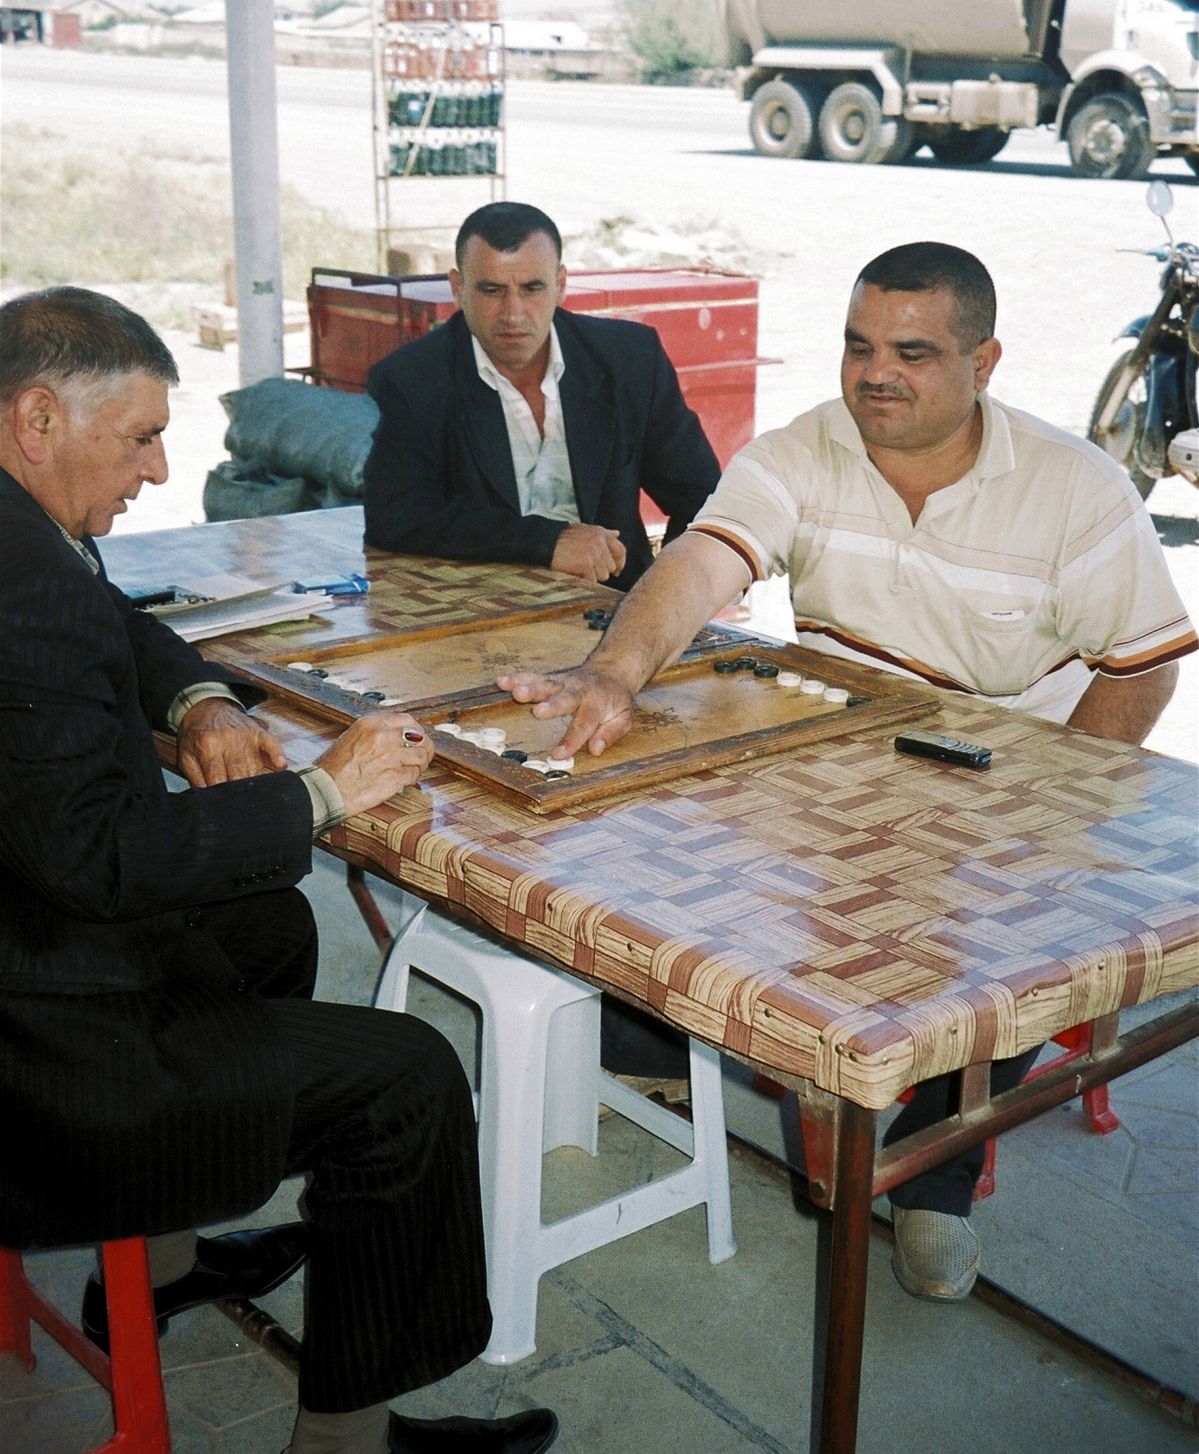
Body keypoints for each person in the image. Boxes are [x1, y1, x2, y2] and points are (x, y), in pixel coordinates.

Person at [496, 241, 1198, 1305]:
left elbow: (1142, 671)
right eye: (859, 346)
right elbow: (700, 563)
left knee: (998, 939)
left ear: (984, 360)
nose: (876, 373)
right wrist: (612, 672)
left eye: (912, 353)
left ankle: (934, 1180)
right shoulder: (802, 450)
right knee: (652, 855)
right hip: (835, 757)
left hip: (1007, 776)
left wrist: (1052, 805)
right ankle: (677, 1043)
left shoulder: (1075, 490)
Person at [0, 288, 558, 1454]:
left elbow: (117, 627)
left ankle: (158, 1265)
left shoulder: (28, 538)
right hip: (48, 1060)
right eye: (141, 437)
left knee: (269, 917)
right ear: (39, 418)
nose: (158, 471)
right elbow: (101, 858)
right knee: (404, 1082)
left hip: (33, 951)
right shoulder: (19, 595)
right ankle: (344, 1442)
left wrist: (199, 700)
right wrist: (321, 793)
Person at [363, 201, 721, 592]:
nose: (513, 313)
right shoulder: (413, 378)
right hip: (488, 612)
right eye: (491, 290)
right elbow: (395, 516)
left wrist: (668, 595)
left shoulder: (630, 360)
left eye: (532, 288)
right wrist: (546, 542)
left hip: (618, 604)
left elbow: (704, 497)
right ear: (458, 288)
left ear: (561, 284)